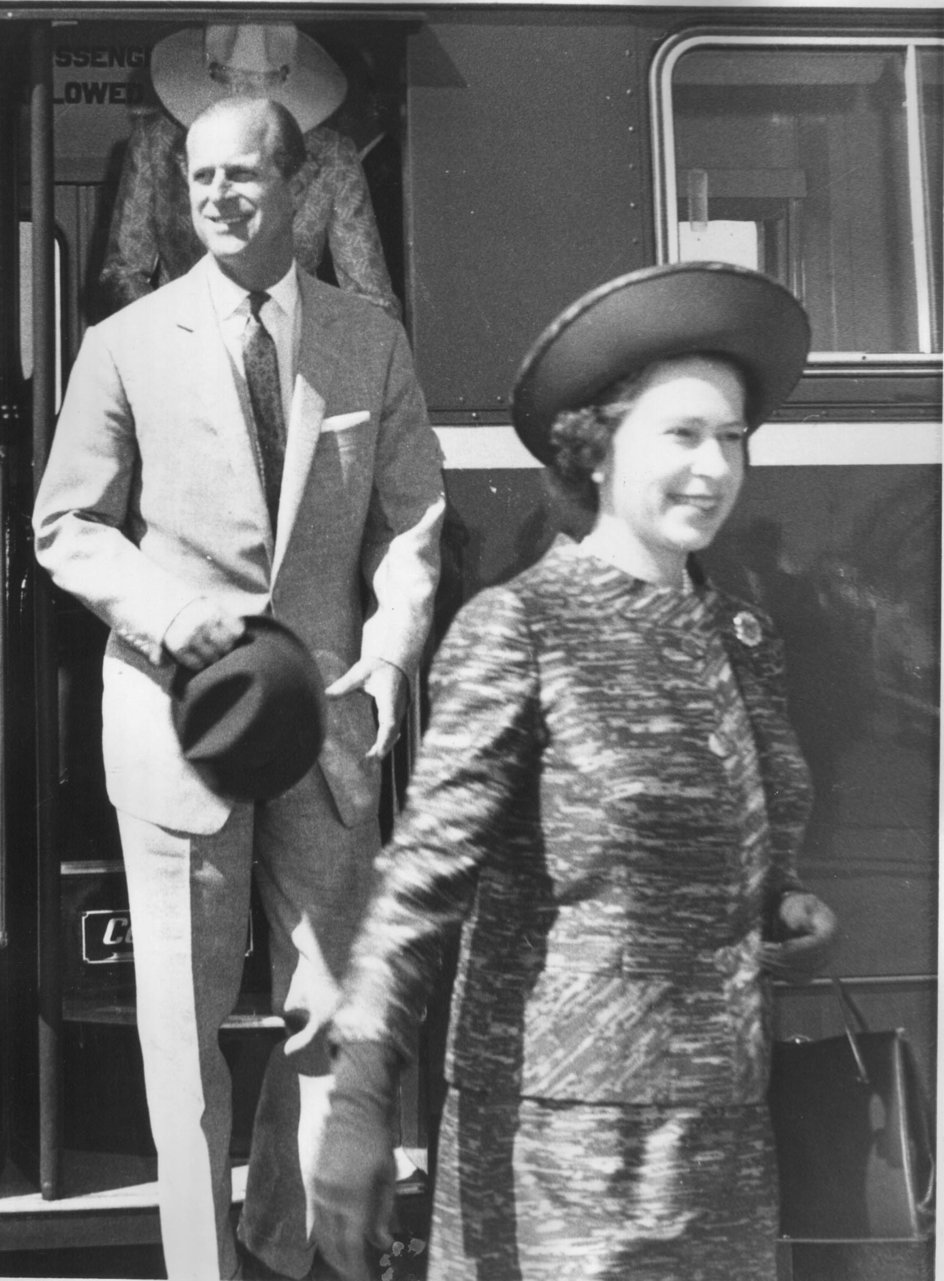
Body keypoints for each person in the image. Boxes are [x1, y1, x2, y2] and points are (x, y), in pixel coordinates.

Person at [312, 261, 838, 1281]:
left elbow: (738, 846)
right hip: (562, 1149)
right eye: (681, 435)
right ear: (596, 449)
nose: (714, 468)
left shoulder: (739, 636)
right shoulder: (522, 627)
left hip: (723, 1135)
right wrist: (360, 1094)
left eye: (732, 438)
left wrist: (785, 903)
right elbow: (418, 886)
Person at [33, 95, 444, 1281]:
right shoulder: (124, 342)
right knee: (183, 1041)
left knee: (335, 1011)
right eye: (200, 176)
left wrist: (393, 643)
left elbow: (413, 520)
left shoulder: (368, 338)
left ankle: (291, 1247)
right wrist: (171, 614)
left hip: (324, 722)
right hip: (182, 722)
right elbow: (67, 525)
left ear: (298, 188)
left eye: (242, 175)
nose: (215, 195)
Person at [99, 22, 401, 319]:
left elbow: (372, 298)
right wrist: (171, 332)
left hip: (297, 339)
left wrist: (325, 344)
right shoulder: (157, 142)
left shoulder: (331, 155)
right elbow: (123, 271)